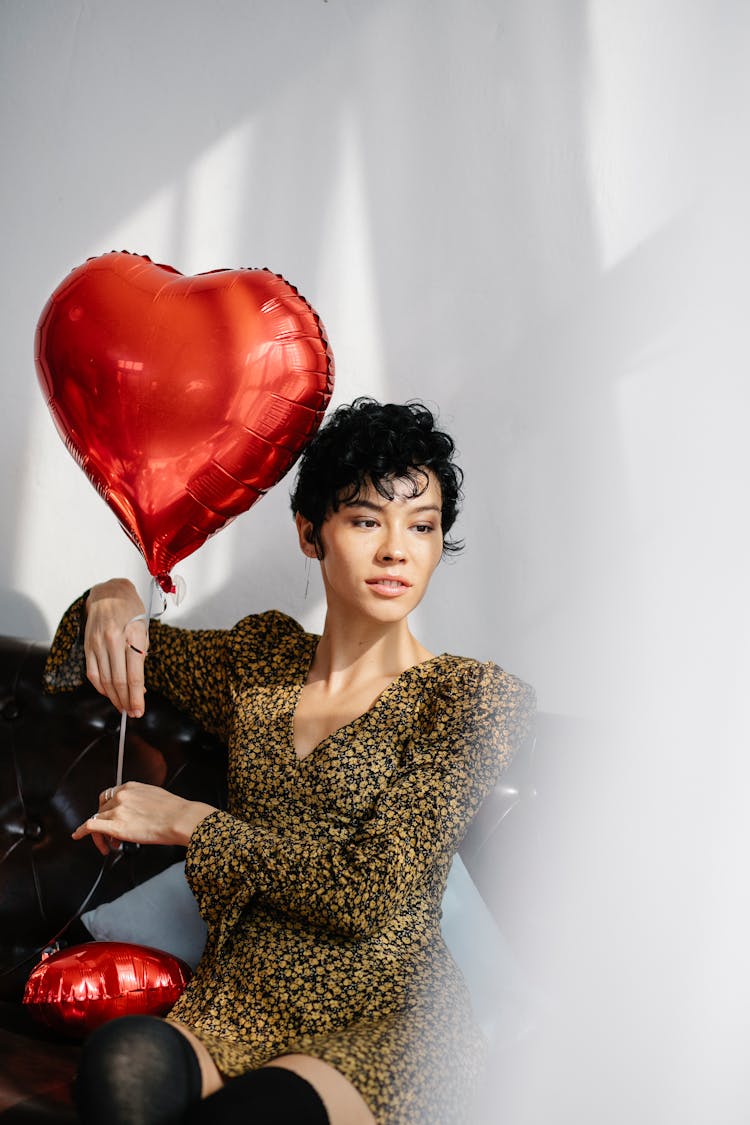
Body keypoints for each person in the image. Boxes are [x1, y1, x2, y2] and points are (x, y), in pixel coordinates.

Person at [45, 398, 535, 1125]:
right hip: (239, 1001)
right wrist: (109, 595)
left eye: (422, 525)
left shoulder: (469, 698)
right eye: (367, 519)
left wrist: (193, 824)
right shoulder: (260, 660)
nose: (397, 549)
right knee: (118, 1069)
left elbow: (373, 892)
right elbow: (86, 656)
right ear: (311, 533)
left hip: (384, 1014)